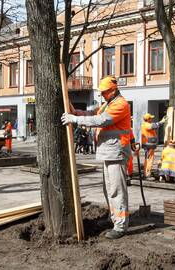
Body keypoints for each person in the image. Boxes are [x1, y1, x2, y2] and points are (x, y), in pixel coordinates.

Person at [62, 76, 134, 239]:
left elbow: (101, 120)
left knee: (116, 190)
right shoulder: (108, 103)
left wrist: (75, 119)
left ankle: (121, 225)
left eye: (105, 92)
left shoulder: (120, 104)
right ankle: (113, 218)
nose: (102, 95)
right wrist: (75, 112)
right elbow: (93, 113)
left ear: (113, 90)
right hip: (110, 152)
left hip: (117, 152)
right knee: (108, 189)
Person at [141, 113, 167, 178]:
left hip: (148, 145)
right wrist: (162, 122)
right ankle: (147, 173)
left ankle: (146, 172)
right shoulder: (147, 125)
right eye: (151, 118)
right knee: (149, 159)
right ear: (148, 119)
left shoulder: (146, 124)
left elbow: (153, 125)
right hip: (148, 145)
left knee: (148, 158)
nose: (152, 119)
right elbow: (154, 126)